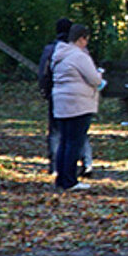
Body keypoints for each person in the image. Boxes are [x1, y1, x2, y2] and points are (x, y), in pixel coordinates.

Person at [49, 24, 104, 192]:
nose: (86, 43)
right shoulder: (79, 56)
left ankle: (61, 178)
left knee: (64, 141)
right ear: (81, 38)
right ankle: (70, 180)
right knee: (75, 142)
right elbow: (94, 79)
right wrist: (100, 74)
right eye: (86, 39)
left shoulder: (59, 54)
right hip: (78, 103)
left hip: (61, 101)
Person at [38, 17, 93, 179]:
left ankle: (56, 167)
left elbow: (43, 72)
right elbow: (92, 75)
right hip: (80, 97)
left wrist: (45, 90)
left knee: (57, 133)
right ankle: (86, 162)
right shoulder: (79, 51)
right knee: (79, 134)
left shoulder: (51, 50)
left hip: (57, 94)